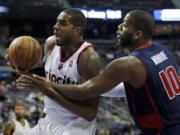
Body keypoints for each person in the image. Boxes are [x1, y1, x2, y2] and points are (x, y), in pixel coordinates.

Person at [17, 10, 180, 135]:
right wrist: (97, 87)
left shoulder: (127, 64)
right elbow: (125, 88)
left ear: (137, 34)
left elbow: (84, 92)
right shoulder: (163, 50)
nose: (119, 27)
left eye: (124, 24)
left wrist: (45, 84)